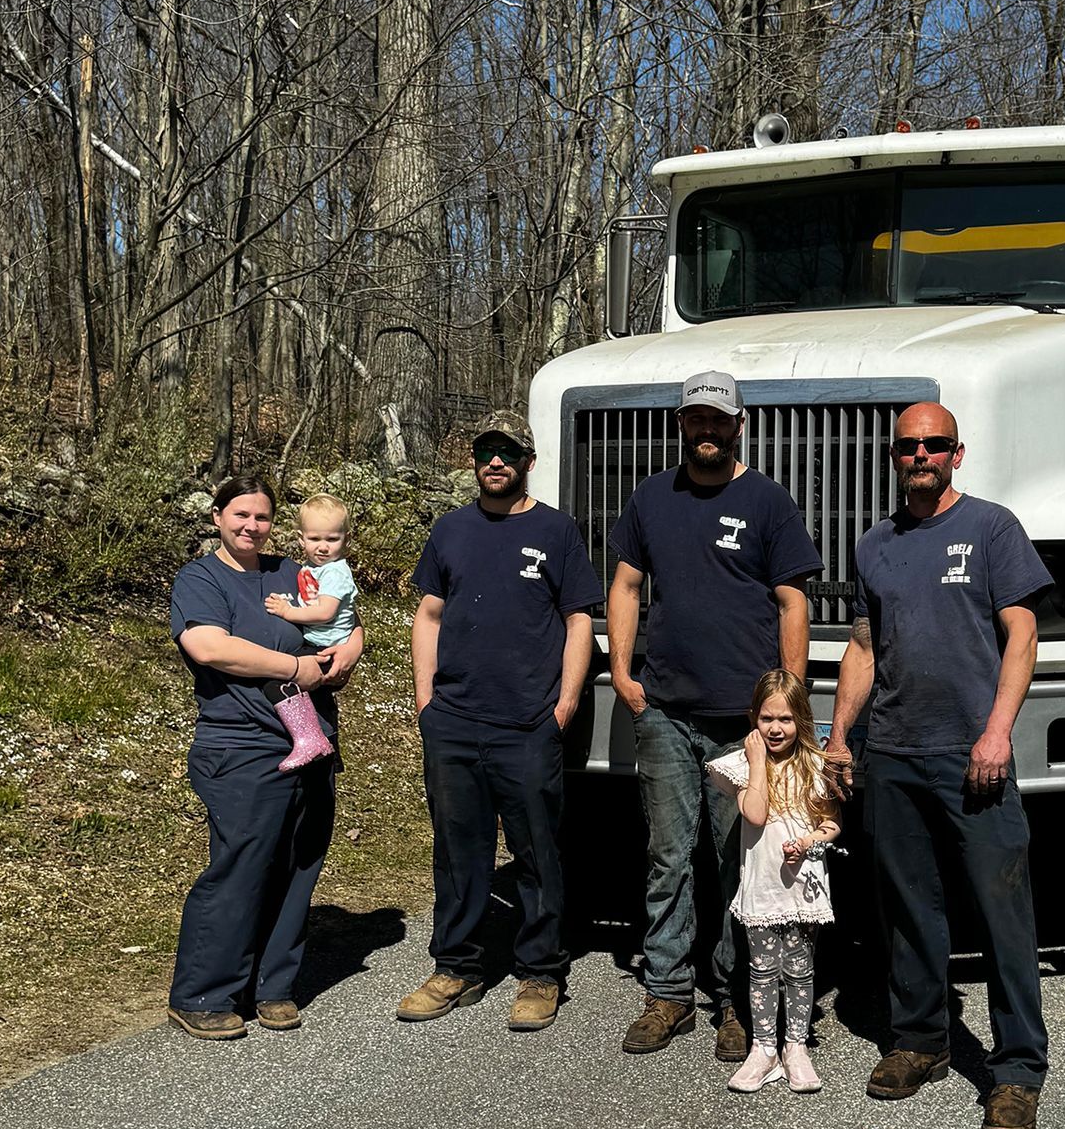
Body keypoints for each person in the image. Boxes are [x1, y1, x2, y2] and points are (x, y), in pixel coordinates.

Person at [825, 401, 1054, 1129]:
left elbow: (1022, 634)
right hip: (891, 751)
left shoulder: (991, 528)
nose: (920, 456)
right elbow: (864, 644)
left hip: (971, 755)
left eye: (934, 445)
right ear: (893, 457)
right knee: (906, 907)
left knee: (1000, 910)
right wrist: (838, 739)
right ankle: (920, 1040)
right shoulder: (875, 545)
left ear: (957, 453)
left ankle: (1017, 1069)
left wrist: (996, 733)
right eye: (907, 447)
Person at [608, 370, 823, 1060]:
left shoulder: (767, 502)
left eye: (717, 420)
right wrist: (621, 674)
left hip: (744, 724)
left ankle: (734, 998)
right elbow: (626, 584)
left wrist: (786, 698)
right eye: (695, 419)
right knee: (668, 857)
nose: (706, 430)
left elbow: (793, 602)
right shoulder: (650, 499)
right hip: (666, 712)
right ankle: (668, 994)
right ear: (682, 425)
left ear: (738, 425)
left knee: (739, 861)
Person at [401, 411, 602, 1032]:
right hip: (454, 721)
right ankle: (455, 966)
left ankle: (541, 972)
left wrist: (564, 704)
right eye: (485, 451)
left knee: (536, 851)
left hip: (526, 722)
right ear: (474, 459)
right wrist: (426, 702)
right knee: (460, 850)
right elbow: (428, 615)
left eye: (507, 453)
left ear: (528, 462)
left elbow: (578, 621)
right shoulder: (451, 530)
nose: (495, 462)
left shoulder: (558, 530)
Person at [167, 474, 364, 1040]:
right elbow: (209, 646)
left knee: (299, 865)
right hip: (241, 745)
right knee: (242, 866)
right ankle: (204, 991)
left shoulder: (289, 570)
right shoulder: (201, 578)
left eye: (262, 517)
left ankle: (272, 986)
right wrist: (297, 669)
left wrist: (351, 649)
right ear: (217, 518)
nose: (252, 526)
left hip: (313, 738)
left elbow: (342, 616)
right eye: (240, 515)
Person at [708, 670, 845, 1094]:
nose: (775, 728)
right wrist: (755, 763)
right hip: (764, 888)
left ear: (800, 720)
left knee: (801, 970)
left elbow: (832, 823)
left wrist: (809, 841)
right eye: (767, 718)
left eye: (785, 719)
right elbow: (755, 814)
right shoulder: (742, 766)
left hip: (802, 889)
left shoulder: (814, 766)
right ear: (754, 718)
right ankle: (764, 1048)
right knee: (763, 969)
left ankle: (796, 1046)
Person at [263, 493, 359, 770]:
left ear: (347, 539)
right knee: (316, 699)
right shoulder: (312, 569)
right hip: (319, 643)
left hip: (327, 648)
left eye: (332, 539)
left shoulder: (335, 572)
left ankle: (308, 739)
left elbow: (325, 611)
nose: (323, 547)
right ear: (301, 538)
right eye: (315, 539)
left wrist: (287, 611)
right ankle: (327, 748)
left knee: (278, 683)